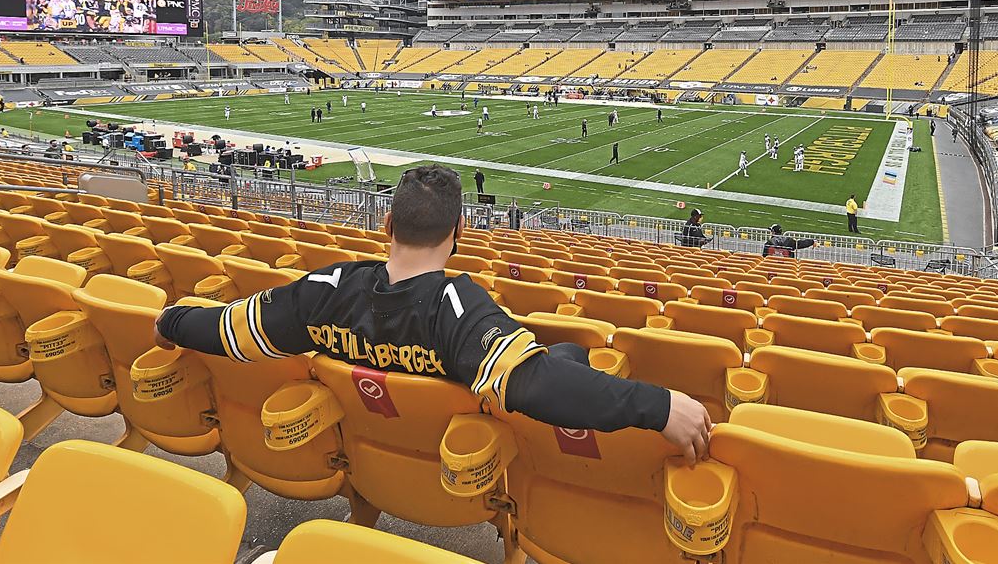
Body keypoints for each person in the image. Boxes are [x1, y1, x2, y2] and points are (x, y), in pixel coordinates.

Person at [153, 165, 711, 462]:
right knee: (572, 354)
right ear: (458, 233)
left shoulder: (327, 287)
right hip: (454, 469)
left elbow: (230, 331)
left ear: (387, 226)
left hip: (366, 458)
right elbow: (534, 383)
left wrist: (168, 321)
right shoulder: (456, 307)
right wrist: (657, 403)